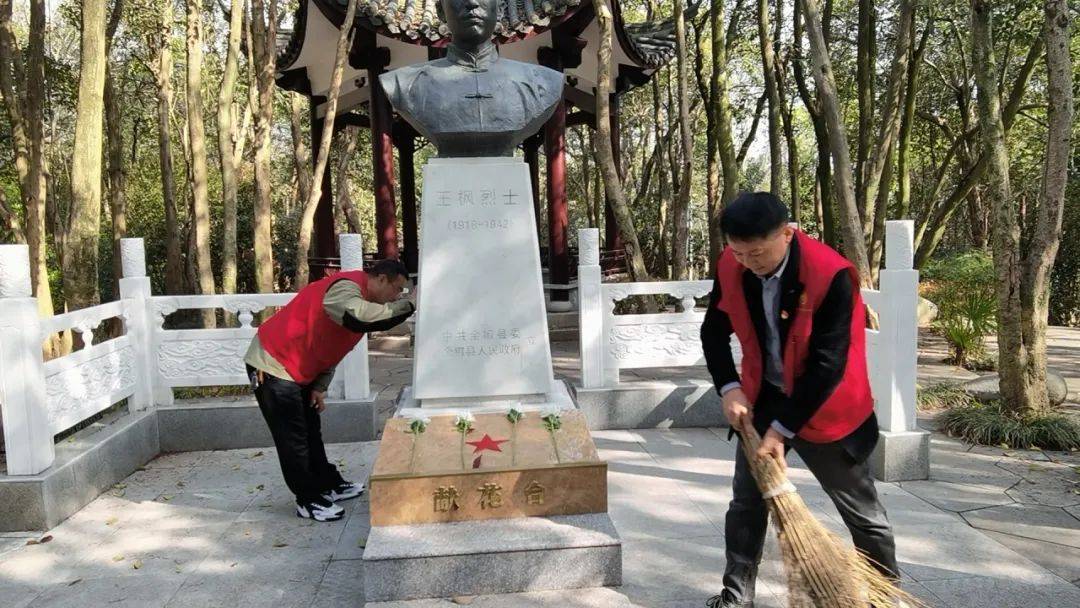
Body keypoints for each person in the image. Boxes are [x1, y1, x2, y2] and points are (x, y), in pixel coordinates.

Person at [700, 192, 897, 607]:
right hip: (765, 395)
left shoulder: (832, 274)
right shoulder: (731, 265)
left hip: (828, 404)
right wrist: (728, 386)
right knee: (747, 504)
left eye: (757, 252)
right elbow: (713, 331)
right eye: (739, 253)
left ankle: (884, 596)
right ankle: (736, 598)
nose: (749, 262)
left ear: (788, 234)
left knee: (863, 514)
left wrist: (783, 429)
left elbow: (828, 364)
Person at [245, 259, 415, 522]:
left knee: (311, 430)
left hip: (298, 369)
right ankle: (308, 499)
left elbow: (333, 346)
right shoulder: (347, 288)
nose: (396, 296)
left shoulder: (362, 300)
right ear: (381, 279)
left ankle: (327, 483)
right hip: (273, 364)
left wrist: (319, 386)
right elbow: (357, 316)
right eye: (397, 289)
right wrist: (410, 304)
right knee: (294, 438)